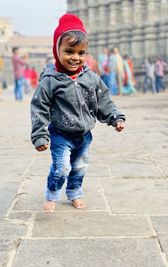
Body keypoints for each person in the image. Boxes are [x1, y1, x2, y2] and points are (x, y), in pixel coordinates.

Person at [30, 14, 125, 213]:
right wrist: (40, 135)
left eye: (81, 53)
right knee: (62, 167)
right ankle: (52, 194)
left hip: (84, 136)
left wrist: (114, 117)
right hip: (60, 133)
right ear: (57, 51)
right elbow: (39, 107)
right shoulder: (50, 80)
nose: (75, 57)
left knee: (80, 167)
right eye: (69, 51)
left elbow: (103, 100)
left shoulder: (91, 77)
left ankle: (74, 192)